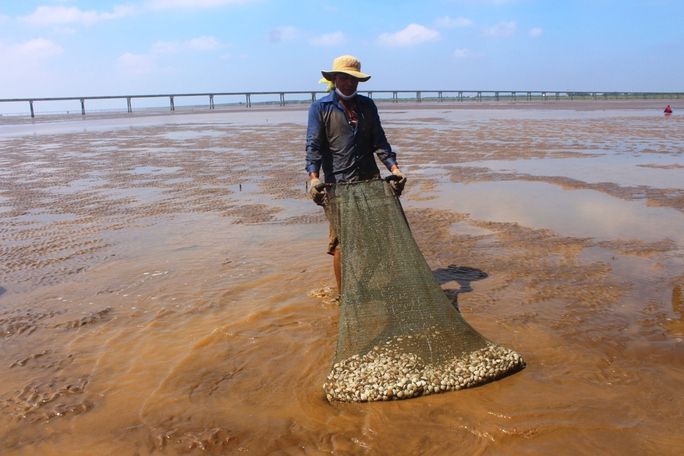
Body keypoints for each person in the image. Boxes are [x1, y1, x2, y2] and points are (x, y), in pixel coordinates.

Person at [305, 55, 406, 293]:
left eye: (354, 79)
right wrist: (313, 179)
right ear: (334, 79)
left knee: (376, 240)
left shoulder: (367, 106)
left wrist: (395, 168)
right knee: (341, 243)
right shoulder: (320, 108)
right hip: (338, 186)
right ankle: (344, 297)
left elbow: (380, 143)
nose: (349, 83)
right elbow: (314, 147)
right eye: (344, 78)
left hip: (370, 182)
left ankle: (363, 284)